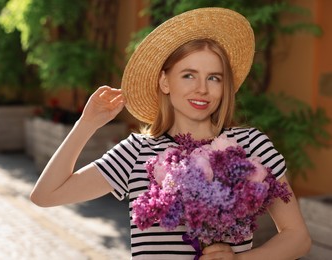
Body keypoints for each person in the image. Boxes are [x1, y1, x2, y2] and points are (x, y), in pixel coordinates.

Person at [30, 7, 311, 260]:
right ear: (165, 81)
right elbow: (45, 195)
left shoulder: (253, 146)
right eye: (188, 75)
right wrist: (87, 124)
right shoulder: (136, 151)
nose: (202, 88)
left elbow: (297, 237)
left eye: (214, 78)